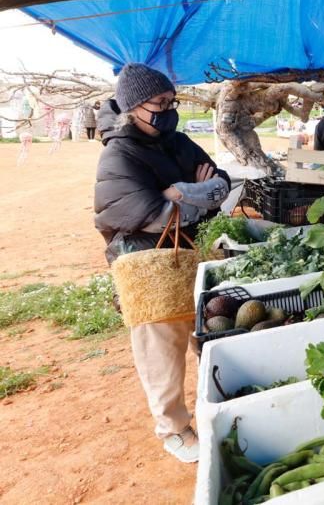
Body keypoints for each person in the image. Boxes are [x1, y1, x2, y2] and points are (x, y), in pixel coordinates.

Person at [94, 63, 231, 463]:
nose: (169, 110)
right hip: (148, 265)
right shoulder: (117, 155)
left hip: (189, 253)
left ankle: (215, 399)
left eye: (173, 101)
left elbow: (220, 184)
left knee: (203, 328)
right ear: (135, 106)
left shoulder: (178, 141)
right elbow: (153, 214)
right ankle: (172, 428)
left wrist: (182, 193)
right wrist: (193, 194)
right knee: (162, 343)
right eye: (161, 103)